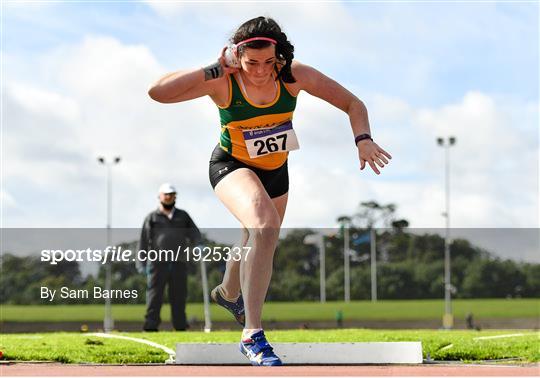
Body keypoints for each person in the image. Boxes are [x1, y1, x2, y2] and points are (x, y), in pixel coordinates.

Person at [148, 17, 391, 365]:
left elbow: (354, 104)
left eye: (268, 62)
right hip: (231, 165)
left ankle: (229, 293)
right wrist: (214, 68)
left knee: (257, 236)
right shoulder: (223, 80)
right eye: (251, 63)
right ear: (237, 56)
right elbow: (158, 92)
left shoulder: (293, 75)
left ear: (278, 55)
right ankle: (253, 335)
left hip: (276, 172)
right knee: (264, 224)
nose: (261, 71)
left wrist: (363, 139)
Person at [138, 183, 201, 332]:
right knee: (155, 295)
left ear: (175, 197)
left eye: (171, 195)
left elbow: (194, 233)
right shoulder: (152, 218)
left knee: (179, 295)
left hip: (179, 262)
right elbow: (143, 241)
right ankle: (151, 326)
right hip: (157, 263)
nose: (168, 197)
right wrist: (141, 262)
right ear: (159, 197)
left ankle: (180, 326)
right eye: (165, 195)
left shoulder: (183, 216)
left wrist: (198, 244)